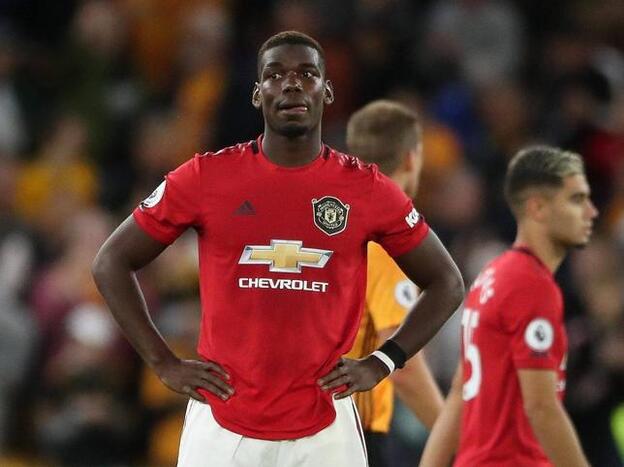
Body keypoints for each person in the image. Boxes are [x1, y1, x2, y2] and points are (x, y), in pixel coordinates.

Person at [92, 31, 464, 467]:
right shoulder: (207, 177)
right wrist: (162, 361)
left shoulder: (365, 188)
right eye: (275, 75)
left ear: (327, 92)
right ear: (256, 94)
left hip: (327, 424)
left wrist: (383, 362)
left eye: (306, 74)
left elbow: (447, 282)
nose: (291, 84)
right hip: (222, 421)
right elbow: (110, 262)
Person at [420, 146, 596, 467]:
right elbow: (541, 408)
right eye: (577, 200)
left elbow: (460, 393)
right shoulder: (531, 286)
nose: (591, 212)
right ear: (538, 208)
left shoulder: (492, 276)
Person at [344, 100, 444, 466]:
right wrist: (457, 437)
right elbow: (402, 361)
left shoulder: (335, 223)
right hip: (354, 425)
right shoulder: (389, 235)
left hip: (309, 418)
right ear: (410, 158)